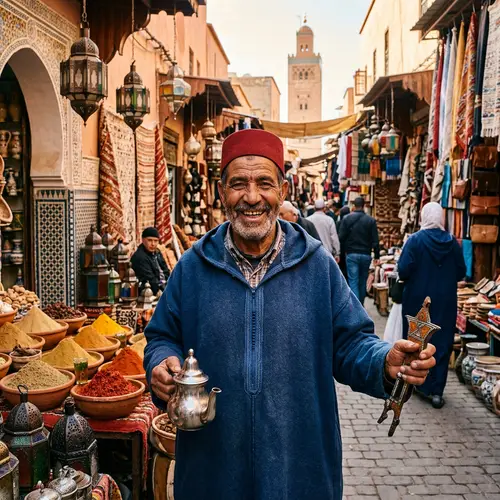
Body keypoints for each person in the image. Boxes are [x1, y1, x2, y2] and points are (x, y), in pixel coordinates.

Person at [144, 129, 436, 500]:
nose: (251, 197)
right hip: (212, 471)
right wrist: (160, 363)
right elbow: (161, 336)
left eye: (264, 183)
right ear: (221, 193)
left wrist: (384, 362)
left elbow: (350, 343)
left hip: (300, 469)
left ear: (282, 191)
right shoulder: (193, 266)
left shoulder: (317, 265)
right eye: (238, 184)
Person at [398, 202, 466, 409]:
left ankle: (416, 383)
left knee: (417, 339)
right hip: (445, 300)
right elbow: (461, 272)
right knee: (442, 340)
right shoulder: (452, 243)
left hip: (418, 300)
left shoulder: (415, 240)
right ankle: (437, 391)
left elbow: (403, 270)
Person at [339, 197, 380, 305]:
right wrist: (377, 256)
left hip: (352, 254)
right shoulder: (370, 220)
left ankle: (355, 308)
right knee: (362, 281)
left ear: (353, 206)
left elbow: (341, 237)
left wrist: (343, 251)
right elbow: (375, 240)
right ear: (364, 206)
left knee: (353, 281)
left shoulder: (347, 219)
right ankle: (360, 305)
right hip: (366, 254)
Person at [130, 227, 170, 294]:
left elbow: (166, 270)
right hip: (150, 291)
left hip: (163, 286)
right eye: (150, 240)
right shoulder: (140, 257)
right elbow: (151, 280)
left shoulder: (157, 252)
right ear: (143, 240)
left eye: (155, 241)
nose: (153, 244)